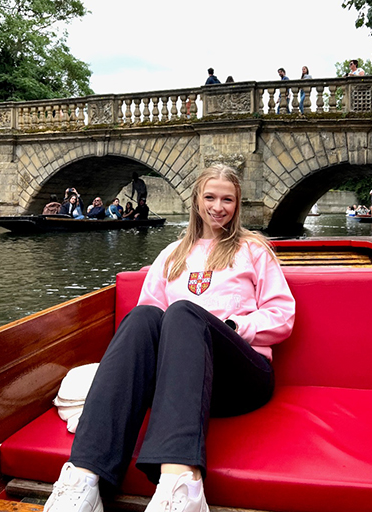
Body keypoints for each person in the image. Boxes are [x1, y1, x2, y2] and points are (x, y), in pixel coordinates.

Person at [41, 164, 295, 512]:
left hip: (241, 379)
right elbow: (149, 327)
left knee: (184, 313)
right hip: (181, 385)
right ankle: (83, 478)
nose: (218, 207)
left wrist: (234, 327)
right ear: (195, 201)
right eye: (210, 197)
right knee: (145, 315)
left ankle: (182, 482)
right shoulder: (172, 255)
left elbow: (282, 315)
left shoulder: (253, 250)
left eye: (227, 199)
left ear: (237, 205)